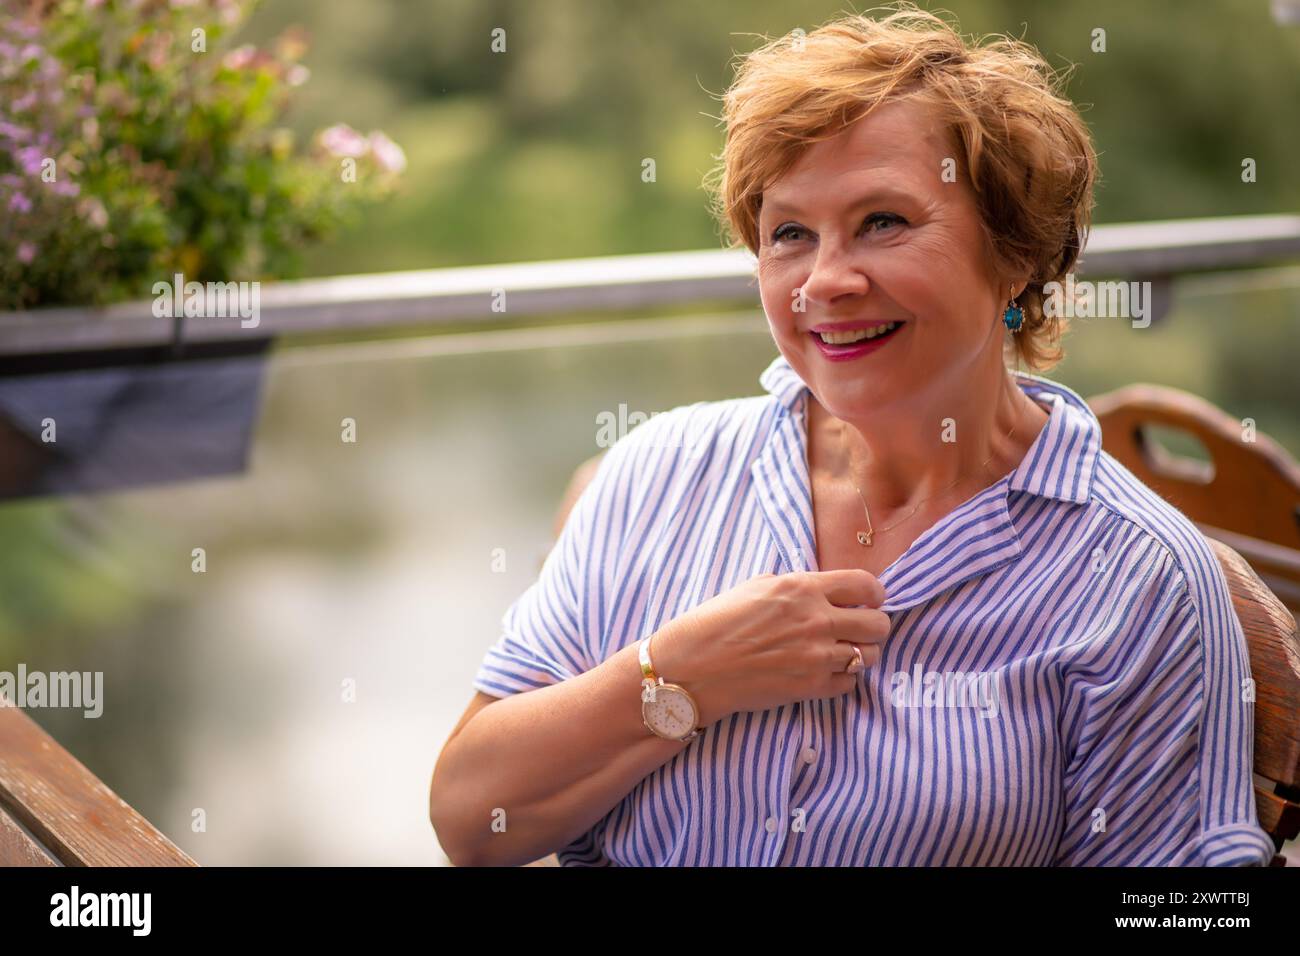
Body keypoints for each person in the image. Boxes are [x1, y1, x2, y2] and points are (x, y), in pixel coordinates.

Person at [428, 4, 1274, 867]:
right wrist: (679, 672)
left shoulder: (1136, 578)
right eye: (790, 233)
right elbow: (470, 818)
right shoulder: (656, 474)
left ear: (1016, 253)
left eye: (883, 221)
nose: (827, 281)